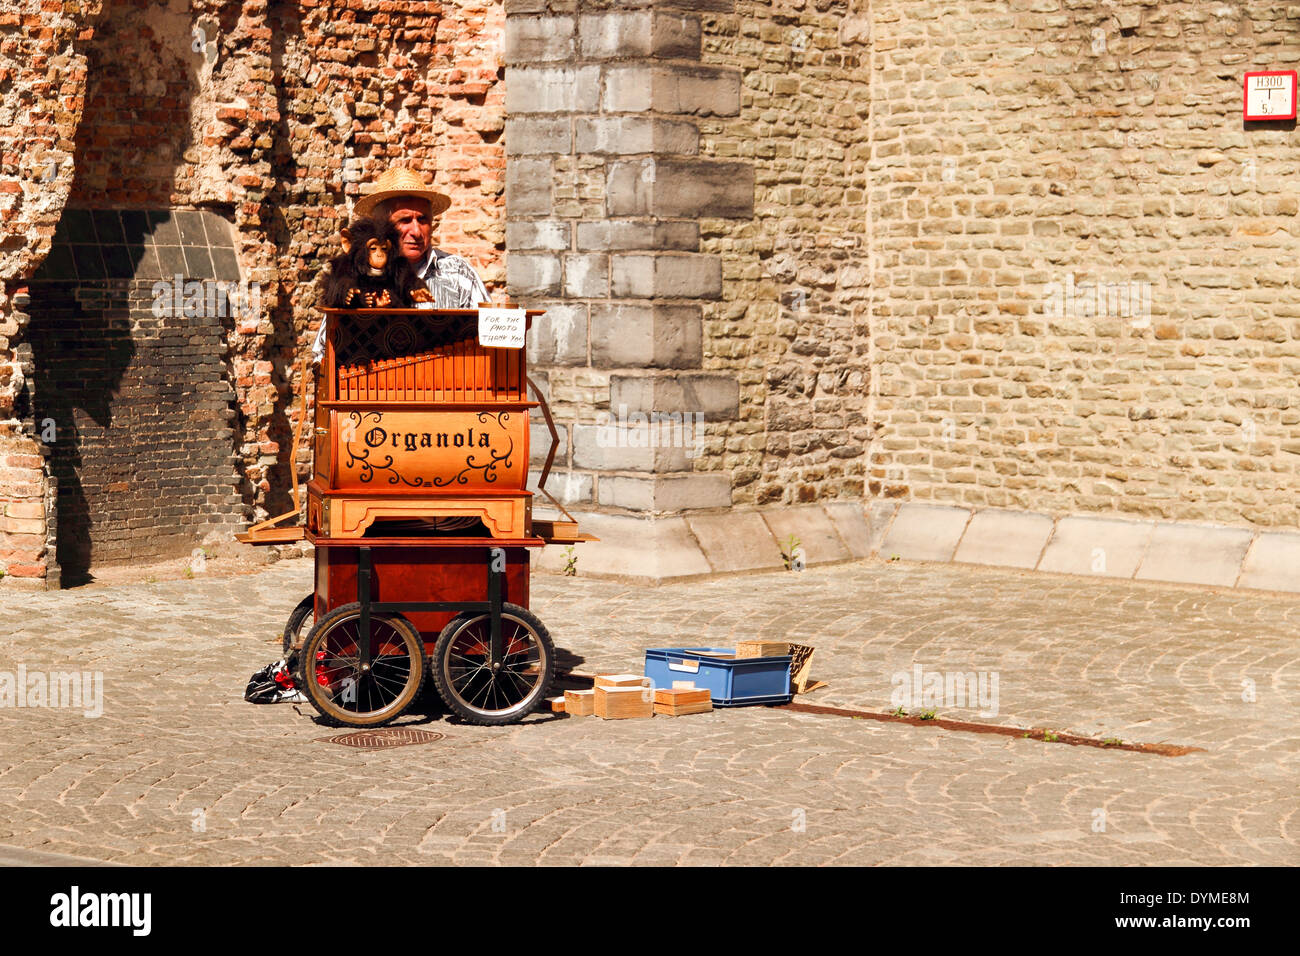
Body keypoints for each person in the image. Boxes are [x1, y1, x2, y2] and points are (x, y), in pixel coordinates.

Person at [312, 167, 490, 361]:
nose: (416, 231)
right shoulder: (357, 275)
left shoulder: (459, 274)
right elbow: (322, 352)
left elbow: (491, 337)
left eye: (423, 220)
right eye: (405, 220)